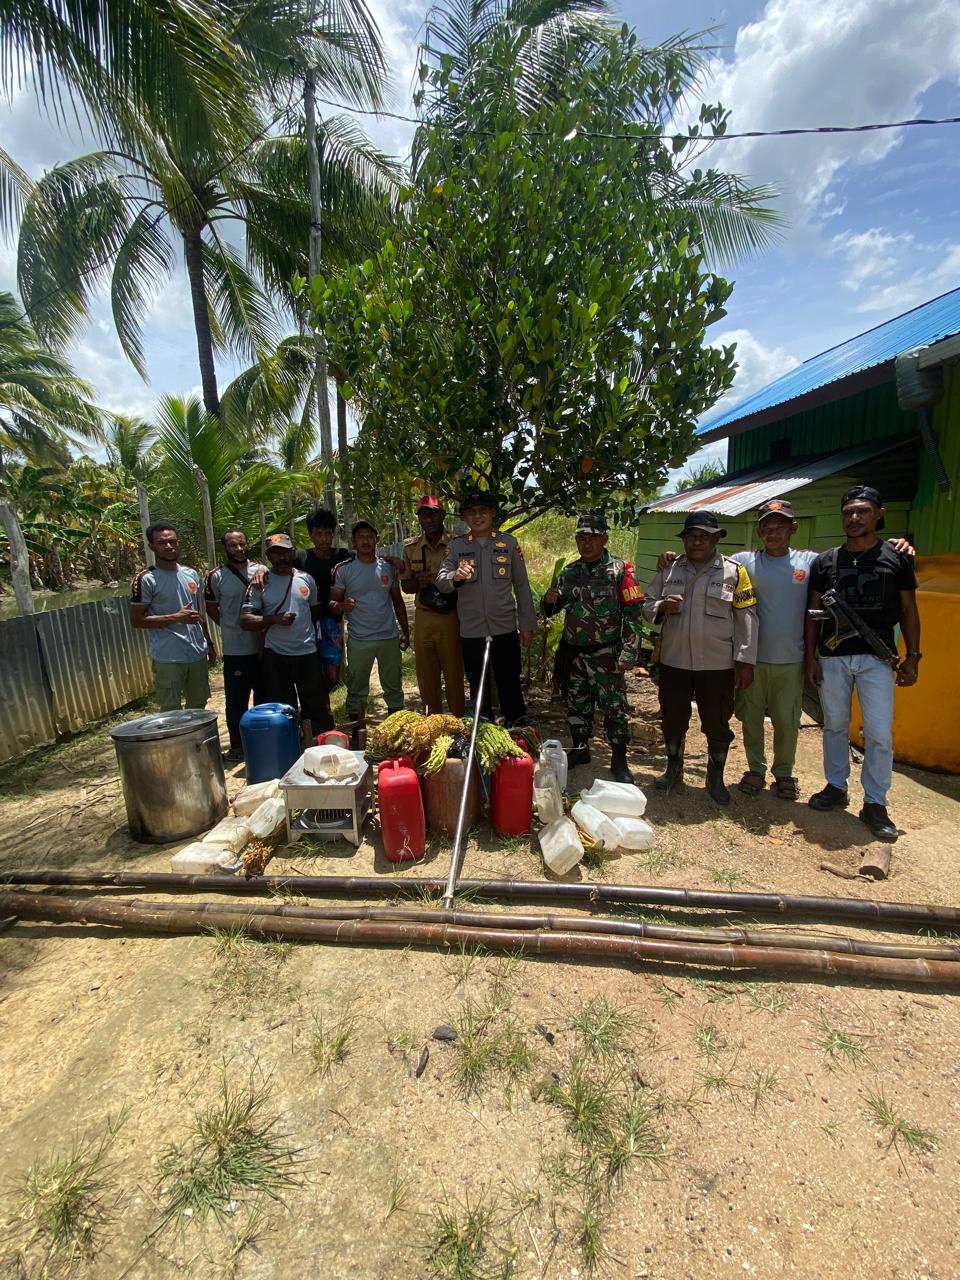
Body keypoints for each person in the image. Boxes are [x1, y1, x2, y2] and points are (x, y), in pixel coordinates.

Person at [805, 486, 921, 842]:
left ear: (879, 514)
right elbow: (811, 614)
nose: (855, 518)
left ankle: (875, 803)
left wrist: (913, 656)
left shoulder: (897, 558)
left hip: (877, 657)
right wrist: (810, 655)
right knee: (835, 726)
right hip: (833, 655)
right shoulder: (825, 562)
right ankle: (836, 786)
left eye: (863, 511)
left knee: (878, 733)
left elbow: (908, 610)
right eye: (849, 512)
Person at [642, 511, 757, 804]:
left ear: (716, 538)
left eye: (704, 536)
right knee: (673, 717)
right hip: (675, 662)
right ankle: (673, 770)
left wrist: (745, 661)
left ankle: (715, 777)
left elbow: (746, 617)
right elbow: (646, 604)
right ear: (684, 540)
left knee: (717, 721)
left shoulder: (735, 572)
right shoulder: (669, 569)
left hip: (717, 665)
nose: (696, 541)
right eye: (691, 536)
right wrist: (661, 608)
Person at [542, 511, 644, 783]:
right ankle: (579, 749)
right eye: (581, 538)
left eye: (592, 538)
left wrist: (629, 651)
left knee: (614, 707)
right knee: (577, 704)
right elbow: (553, 609)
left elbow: (633, 613)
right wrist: (549, 599)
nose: (586, 543)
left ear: (605, 539)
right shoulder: (570, 573)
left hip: (606, 654)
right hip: (575, 653)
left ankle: (619, 758)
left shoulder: (620, 570)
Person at [436, 489, 536, 726]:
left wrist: (527, 624)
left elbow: (521, 586)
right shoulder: (457, 547)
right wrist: (455, 575)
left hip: (505, 627)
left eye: (482, 511)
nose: (477, 517)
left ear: (492, 513)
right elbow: (441, 580)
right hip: (472, 630)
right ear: (465, 519)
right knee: (478, 682)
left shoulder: (508, 544)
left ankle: (516, 725)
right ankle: (483, 727)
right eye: (471, 513)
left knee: (509, 679)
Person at [240, 532, 333, 734]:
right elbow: (245, 620)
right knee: (283, 709)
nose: (281, 557)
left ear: (292, 553)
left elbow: (315, 611)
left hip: (307, 653)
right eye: (276, 553)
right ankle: (290, 746)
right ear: (269, 556)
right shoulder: (260, 583)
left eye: (285, 553)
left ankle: (322, 745)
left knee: (317, 705)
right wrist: (273, 619)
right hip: (276, 655)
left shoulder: (306, 579)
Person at [329, 520, 410, 742]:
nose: (365, 540)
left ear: (376, 540)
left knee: (393, 686)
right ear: (354, 542)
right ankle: (358, 734)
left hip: (388, 637)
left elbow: (397, 600)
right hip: (359, 639)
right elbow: (332, 603)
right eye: (360, 537)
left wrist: (405, 630)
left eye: (369, 536)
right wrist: (342, 606)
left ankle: (396, 733)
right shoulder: (344, 570)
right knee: (357, 689)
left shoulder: (387, 567)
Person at [131, 522, 216, 711]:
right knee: (171, 710)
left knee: (198, 706)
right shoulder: (146, 579)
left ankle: (196, 742)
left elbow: (199, 614)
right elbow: (136, 620)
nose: (169, 546)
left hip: (196, 653)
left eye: (172, 541)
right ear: (152, 547)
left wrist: (209, 643)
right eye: (162, 543)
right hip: (168, 657)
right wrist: (176, 617)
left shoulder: (191, 574)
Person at [204, 528, 266, 762]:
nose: (239, 549)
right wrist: (230, 626)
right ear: (225, 548)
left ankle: (262, 740)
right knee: (237, 700)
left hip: (261, 647)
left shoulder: (261, 570)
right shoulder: (215, 577)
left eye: (242, 544)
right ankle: (238, 746)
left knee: (263, 696)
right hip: (235, 650)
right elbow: (212, 608)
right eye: (233, 545)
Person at [401, 495, 465, 716]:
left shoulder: (458, 544)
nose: (428, 519)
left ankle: (458, 723)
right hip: (424, 615)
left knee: (454, 672)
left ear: (442, 514)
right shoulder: (412, 548)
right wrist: (415, 582)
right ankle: (432, 723)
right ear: (419, 518)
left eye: (433, 513)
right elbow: (405, 585)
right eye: (423, 514)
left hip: (450, 615)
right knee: (426, 674)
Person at [295, 507, 353, 688]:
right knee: (310, 671)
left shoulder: (343, 556)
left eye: (328, 533)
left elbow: (369, 559)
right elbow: (277, 568)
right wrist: (260, 573)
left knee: (333, 675)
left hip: (333, 622)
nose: (324, 539)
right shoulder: (300, 558)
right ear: (311, 535)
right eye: (319, 534)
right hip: (306, 623)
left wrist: (392, 559)